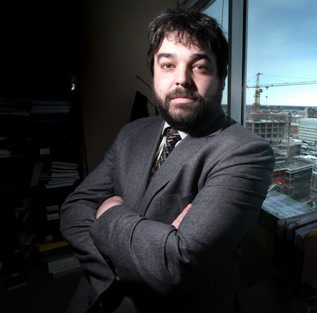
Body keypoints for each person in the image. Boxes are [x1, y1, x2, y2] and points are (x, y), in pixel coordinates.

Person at [60, 8, 274, 313]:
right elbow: (73, 211)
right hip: (96, 298)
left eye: (199, 67)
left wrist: (108, 212)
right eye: (168, 64)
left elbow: (173, 267)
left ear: (222, 78)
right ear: (154, 73)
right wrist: (137, 261)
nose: (181, 79)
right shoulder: (132, 133)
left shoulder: (246, 152)